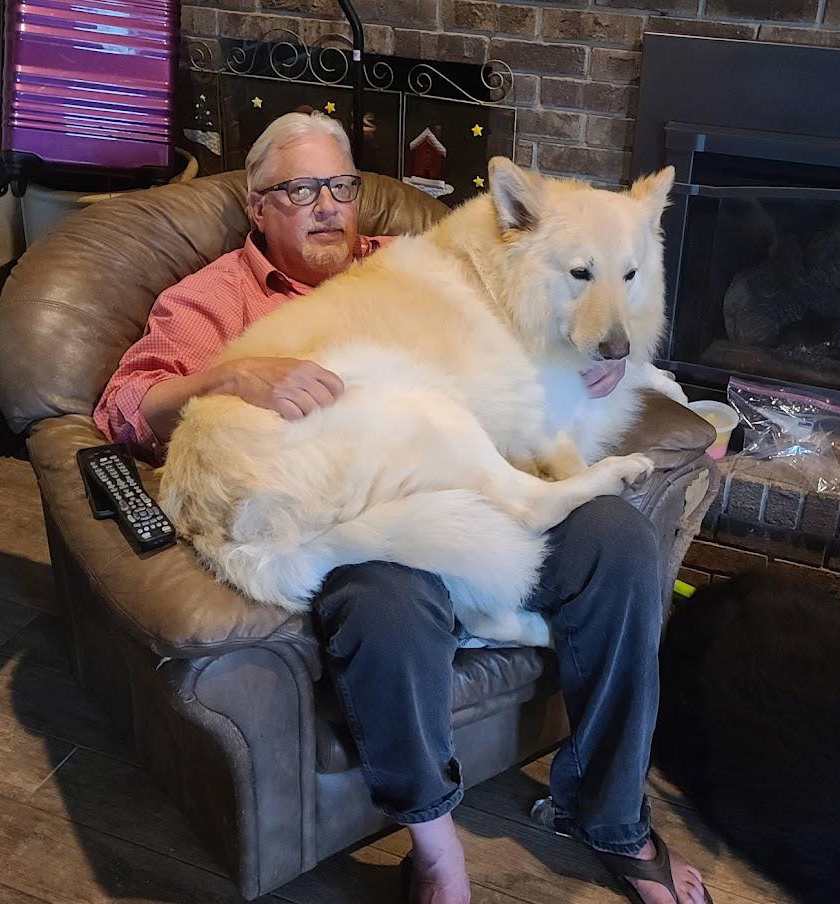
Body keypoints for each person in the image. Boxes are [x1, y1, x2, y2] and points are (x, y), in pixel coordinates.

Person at [93, 111, 709, 904]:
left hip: (462, 477)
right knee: (386, 602)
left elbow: (535, 333)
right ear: (257, 205)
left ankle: (614, 817)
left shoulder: (417, 260)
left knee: (620, 543)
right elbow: (121, 406)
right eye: (300, 190)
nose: (327, 205)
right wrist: (230, 378)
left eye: (341, 185)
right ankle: (436, 849)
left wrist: (596, 359)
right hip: (325, 495)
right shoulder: (215, 297)